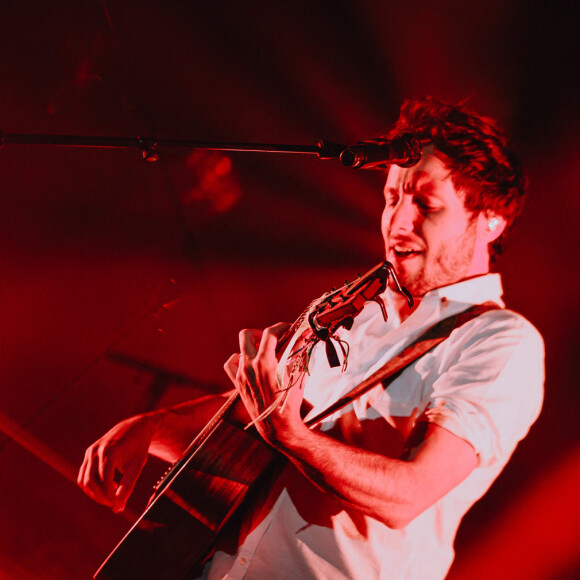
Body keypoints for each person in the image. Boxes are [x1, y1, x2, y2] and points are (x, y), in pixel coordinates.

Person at [78, 97, 544, 579]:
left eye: (426, 203)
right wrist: (149, 429)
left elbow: (410, 495)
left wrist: (293, 437)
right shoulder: (354, 311)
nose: (398, 222)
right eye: (391, 198)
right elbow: (254, 422)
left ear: (491, 219)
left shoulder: (502, 342)